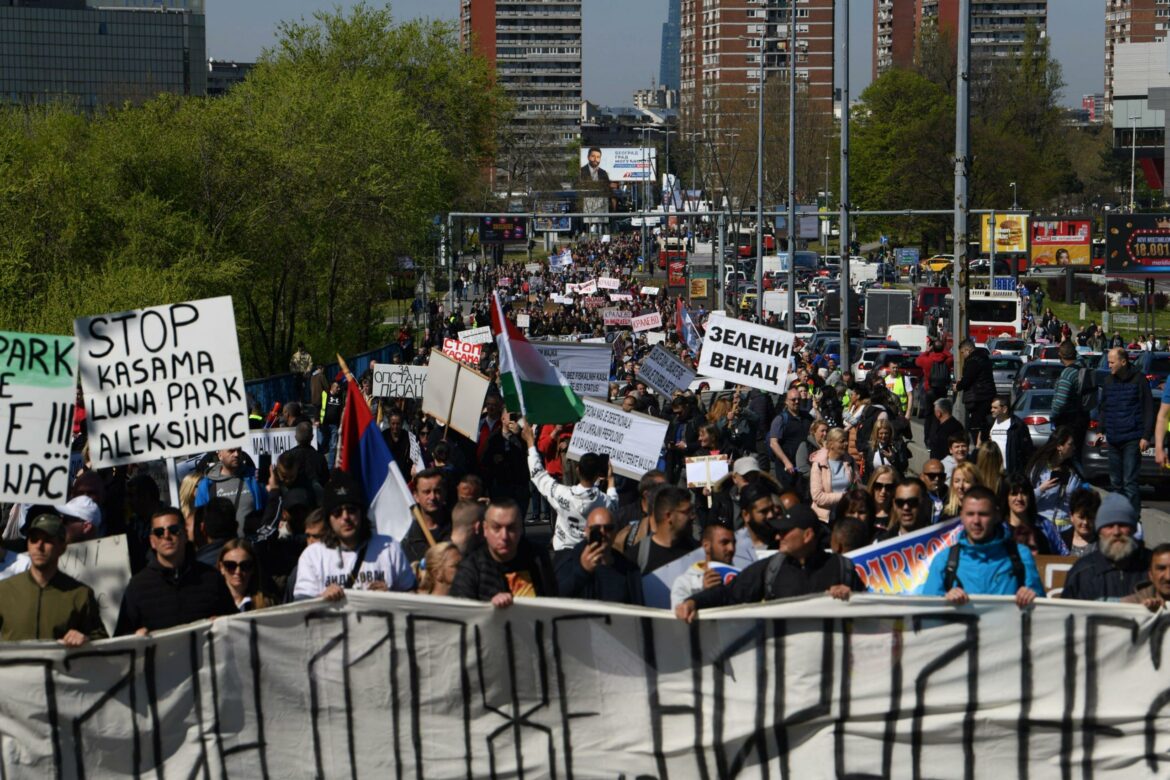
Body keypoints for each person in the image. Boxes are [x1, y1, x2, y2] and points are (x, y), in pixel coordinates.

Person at [674, 506, 863, 623]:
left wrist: (852, 597)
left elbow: (871, 615)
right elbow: (729, 593)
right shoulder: (772, 568)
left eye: (785, 531)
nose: (778, 536)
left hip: (833, 681)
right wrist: (694, 602)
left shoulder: (843, 568)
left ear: (807, 536)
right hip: (785, 681)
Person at [292, 474, 416, 600]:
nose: (345, 517)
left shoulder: (389, 547)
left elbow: (413, 597)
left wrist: (391, 596)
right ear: (328, 519)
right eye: (337, 512)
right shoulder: (312, 556)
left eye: (351, 510)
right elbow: (301, 608)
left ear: (362, 513)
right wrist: (321, 598)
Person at [115, 507, 237, 635]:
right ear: (152, 541)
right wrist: (136, 636)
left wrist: (224, 623)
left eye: (174, 530)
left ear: (185, 534)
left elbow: (237, 627)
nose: (166, 536)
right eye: (159, 532)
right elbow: (122, 637)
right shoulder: (138, 586)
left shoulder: (211, 578)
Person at [921, 486, 1044, 607]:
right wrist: (944, 601)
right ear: (962, 516)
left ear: (996, 515)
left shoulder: (1020, 555)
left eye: (983, 514)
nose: (976, 521)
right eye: (970, 514)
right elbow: (927, 614)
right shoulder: (944, 560)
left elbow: (1045, 611)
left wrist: (1033, 596)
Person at [0, 512, 106, 645]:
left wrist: (86, 639)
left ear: (62, 546)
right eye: (34, 540)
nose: (39, 546)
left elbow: (102, 641)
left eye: (48, 540)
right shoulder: (4, 591)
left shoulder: (79, 594)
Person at [522, 422, 618, 561]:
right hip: (593, 556)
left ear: (578, 470)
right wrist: (611, 480)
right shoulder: (605, 502)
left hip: (563, 556)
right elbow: (614, 501)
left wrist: (530, 443)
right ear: (598, 474)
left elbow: (537, 474)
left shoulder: (562, 494)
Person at [450, 499, 557, 606]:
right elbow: (462, 613)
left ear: (520, 528)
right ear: (485, 529)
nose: (504, 536)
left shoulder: (537, 558)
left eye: (511, 528)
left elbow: (553, 602)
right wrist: (488, 607)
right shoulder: (471, 568)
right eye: (496, 528)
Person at [1060, 491, 1152, 601]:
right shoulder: (1081, 572)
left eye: (1123, 525)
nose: (1116, 532)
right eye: (1109, 526)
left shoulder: (1154, 566)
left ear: (1133, 529)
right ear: (1099, 531)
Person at [1094, 347, 1154, 516]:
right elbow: (1104, 408)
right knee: (1115, 482)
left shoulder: (1139, 380)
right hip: (1113, 438)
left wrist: (1145, 436)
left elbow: (1148, 409)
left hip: (1132, 438)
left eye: (1112, 362)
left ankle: (1134, 518)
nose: (1109, 365)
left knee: (1129, 481)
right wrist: (1100, 430)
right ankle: (1118, 515)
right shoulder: (1108, 381)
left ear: (1123, 361)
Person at [555, 507, 643, 604]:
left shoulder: (628, 569)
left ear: (615, 531)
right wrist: (582, 571)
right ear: (586, 531)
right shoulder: (569, 562)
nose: (603, 533)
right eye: (596, 529)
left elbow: (638, 606)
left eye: (608, 528)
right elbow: (554, 598)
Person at [627, 486, 700, 574]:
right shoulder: (637, 556)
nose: (693, 516)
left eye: (692, 511)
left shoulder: (698, 551)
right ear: (668, 516)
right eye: (687, 511)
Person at [194, 446, 265, 537]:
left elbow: (268, 508)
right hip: (221, 548)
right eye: (231, 451)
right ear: (220, 455)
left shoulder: (254, 478)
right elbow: (200, 521)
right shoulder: (206, 485)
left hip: (252, 545)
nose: (236, 454)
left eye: (239, 450)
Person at [1026, 426, 1084, 528]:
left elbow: (1078, 501)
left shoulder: (1073, 470)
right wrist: (1041, 489)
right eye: (1070, 444)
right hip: (1043, 526)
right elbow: (1026, 499)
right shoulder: (1039, 469)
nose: (1074, 447)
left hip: (1066, 527)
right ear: (1059, 446)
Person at [671, 523, 736, 608]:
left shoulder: (741, 577)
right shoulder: (684, 583)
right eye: (724, 542)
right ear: (706, 546)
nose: (732, 548)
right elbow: (679, 618)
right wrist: (702, 593)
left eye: (734, 543)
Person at [1000, 474, 1067, 556]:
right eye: (1014, 494)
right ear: (1006, 498)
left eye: (1024, 493)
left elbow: (1064, 554)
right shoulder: (1000, 531)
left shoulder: (1045, 525)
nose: (1019, 498)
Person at [401, 468, 450, 563]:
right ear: (416, 496)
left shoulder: (457, 529)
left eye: (437, 491)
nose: (432, 497)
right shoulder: (407, 538)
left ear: (444, 493)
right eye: (426, 492)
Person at [768, 387, 813, 491]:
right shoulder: (780, 419)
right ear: (786, 402)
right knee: (788, 495)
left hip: (804, 465)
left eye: (798, 399)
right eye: (793, 399)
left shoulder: (807, 417)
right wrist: (786, 462)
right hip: (787, 467)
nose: (797, 402)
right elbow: (773, 443)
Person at [1050, 340, 1091, 451]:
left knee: (1063, 454)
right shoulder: (1083, 366)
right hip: (1082, 417)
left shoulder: (1067, 374)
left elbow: (1060, 402)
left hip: (1067, 421)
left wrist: (1052, 416)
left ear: (1060, 355)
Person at [954, 338, 997, 445]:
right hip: (988, 394)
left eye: (963, 352)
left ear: (968, 349)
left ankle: (980, 447)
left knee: (975, 425)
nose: (963, 355)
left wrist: (958, 386)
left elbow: (968, 379)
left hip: (978, 397)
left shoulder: (973, 361)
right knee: (984, 423)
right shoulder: (984, 358)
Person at [809, 428, 856, 522]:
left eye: (846, 440)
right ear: (831, 444)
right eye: (842, 441)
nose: (846, 444)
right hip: (825, 519)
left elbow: (856, 485)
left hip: (846, 515)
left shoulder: (850, 462)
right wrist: (844, 496)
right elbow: (817, 497)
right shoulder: (819, 464)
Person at [217, 539, 273, 612]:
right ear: (221, 568)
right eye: (230, 565)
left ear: (253, 568)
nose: (238, 571)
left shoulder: (267, 603)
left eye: (245, 565)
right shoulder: (212, 603)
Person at [916, 336, 954, 444]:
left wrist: (927, 351)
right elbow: (951, 356)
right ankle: (940, 437)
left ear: (932, 348)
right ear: (942, 349)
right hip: (942, 390)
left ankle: (928, 439)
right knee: (941, 415)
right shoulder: (947, 360)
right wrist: (944, 349)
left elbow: (918, 361)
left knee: (929, 416)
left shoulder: (928, 360)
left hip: (930, 390)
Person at [987, 396, 1034, 477]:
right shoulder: (989, 422)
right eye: (991, 407)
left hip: (1010, 472)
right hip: (993, 471)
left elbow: (1027, 450)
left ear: (1004, 409)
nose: (992, 410)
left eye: (995, 408)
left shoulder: (1017, 425)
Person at [1122, 543, 1170, 611]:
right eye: (1161, 569)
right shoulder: (1129, 605)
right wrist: (1141, 611)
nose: (1168, 577)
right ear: (1150, 575)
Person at [1060, 489, 1101, 558]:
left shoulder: (1102, 542)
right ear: (1071, 516)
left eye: (1090, 517)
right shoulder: (1061, 540)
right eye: (1081, 517)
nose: (1085, 522)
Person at [920, 458, 948, 523]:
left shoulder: (953, 498)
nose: (937, 479)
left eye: (941, 476)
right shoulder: (916, 499)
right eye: (932, 476)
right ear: (922, 477)